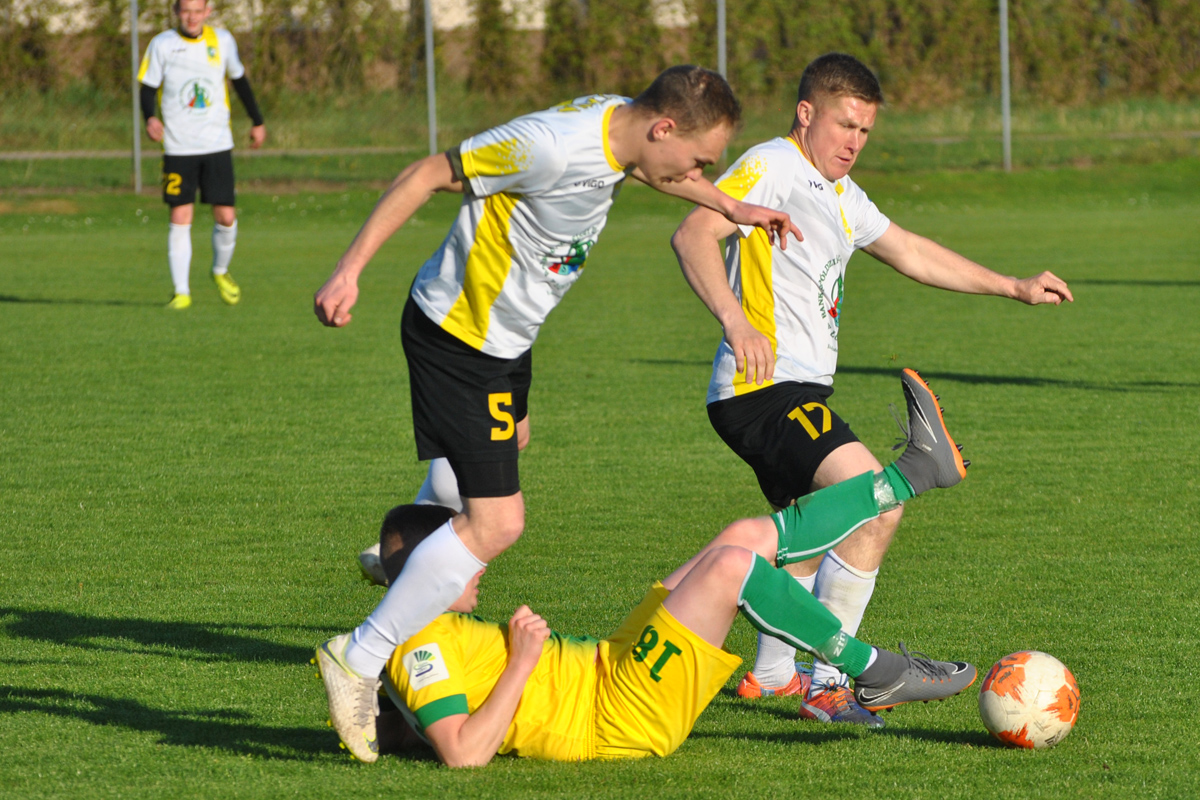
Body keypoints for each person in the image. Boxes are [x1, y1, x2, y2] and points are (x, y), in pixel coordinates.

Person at [311, 65, 802, 762]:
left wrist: (731, 206)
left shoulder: (628, 133)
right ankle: (360, 654)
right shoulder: (548, 144)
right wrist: (349, 269)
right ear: (663, 128)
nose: (697, 173)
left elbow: (659, 172)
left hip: (508, 342)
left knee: (508, 448)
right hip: (460, 338)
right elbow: (427, 174)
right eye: (699, 160)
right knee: (498, 522)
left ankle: (412, 552)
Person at [670, 52, 1073, 727]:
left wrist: (1013, 286)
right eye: (844, 125)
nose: (854, 142)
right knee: (874, 502)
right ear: (806, 114)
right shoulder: (774, 165)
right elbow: (693, 233)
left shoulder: (841, 194)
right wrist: (735, 320)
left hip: (791, 391)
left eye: (865, 131)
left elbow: (909, 250)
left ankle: (771, 677)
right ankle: (830, 681)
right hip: (763, 390)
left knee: (804, 535)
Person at [348, 398, 975, 765]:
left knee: (743, 537)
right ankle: (877, 670)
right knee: (732, 570)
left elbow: (407, 724)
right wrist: (522, 663)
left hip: (612, 664)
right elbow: (464, 754)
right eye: (461, 555)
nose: (477, 562)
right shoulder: (417, 640)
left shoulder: (414, 633)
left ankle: (912, 474)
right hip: (620, 713)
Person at [138, 0, 266, 310]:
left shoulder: (222, 41)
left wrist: (257, 121)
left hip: (217, 144)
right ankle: (181, 292)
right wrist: (150, 118)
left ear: (207, 12)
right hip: (178, 146)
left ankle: (220, 270)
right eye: (186, 11)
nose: (192, 17)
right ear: (176, 12)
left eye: (198, 11)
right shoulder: (162, 44)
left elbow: (239, 81)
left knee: (226, 216)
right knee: (180, 216)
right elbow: (147, 87)